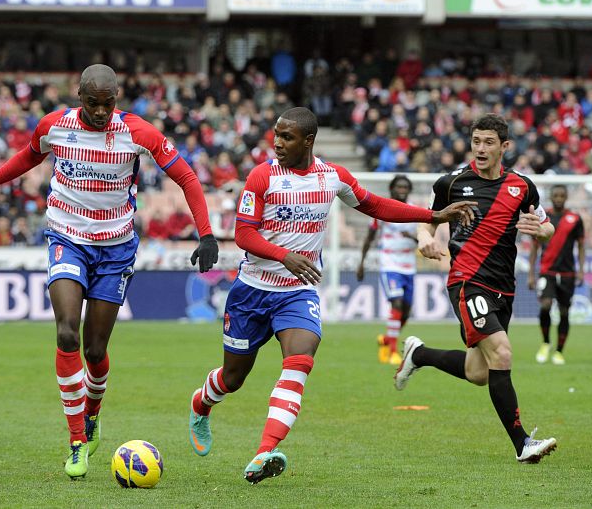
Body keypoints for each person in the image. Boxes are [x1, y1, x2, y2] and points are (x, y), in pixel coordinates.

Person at [0, 64, 219, 479]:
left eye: (108, 103)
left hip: (116, 248)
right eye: (93, 103)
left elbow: (187, 177)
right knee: (67, 333)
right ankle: (76, 442)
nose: (100, 111)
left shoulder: (138, 132)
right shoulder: (55, 126)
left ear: (117, 99)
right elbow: (27, 157)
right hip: (66, 238)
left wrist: (207, 234)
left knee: (94, 351)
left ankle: (92, 412)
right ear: (79, 98)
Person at [187, 107, 476, 484]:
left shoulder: (331, 177)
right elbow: (244, 235)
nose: (277, 143)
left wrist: (432, 216)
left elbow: (375, 204)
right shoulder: (262, 176)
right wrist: (284, 255)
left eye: (287, 137)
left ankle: (263, 452)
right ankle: (201, 404)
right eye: (276, 135)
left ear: (308, 141)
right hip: (252, 291)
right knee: (233, 377)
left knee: (300, 361)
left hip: (297, 292)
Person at [393, 113, 558, 464]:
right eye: (476, 141)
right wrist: (424, 238)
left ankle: (419, 354)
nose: (480, 149)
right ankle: (523, 444)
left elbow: (547, 227)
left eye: (488, 142)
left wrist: (540, 230)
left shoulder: (522, 187)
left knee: (479, 372)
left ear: (504, 146)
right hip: (468, 281)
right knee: (502, 353)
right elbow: (427, 220)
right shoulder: (451, 183)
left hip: (504, 288)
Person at [356, 175, 418, 365]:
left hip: (409, 265)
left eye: (405, 187)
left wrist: (412, 237)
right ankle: (392, 352)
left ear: (409, 190)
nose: (402, 190)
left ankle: (386, 340)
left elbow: (423, 238)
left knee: (405, 312)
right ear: (392, 189)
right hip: (389, 263)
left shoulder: (415, 211)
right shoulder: (381, 209)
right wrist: (362, 262)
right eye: (399, 186)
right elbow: (369, 237)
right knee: (396, 304)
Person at [528, 185, 585, 365]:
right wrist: (531, 274)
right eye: (556, 196)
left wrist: (581, 270)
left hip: (568, 273)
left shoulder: (575, 219)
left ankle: (559, 351)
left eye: (562, 196)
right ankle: (546, 343)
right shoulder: (543, 218)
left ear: (566, 197)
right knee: (545, 305)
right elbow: (534, 248)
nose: (559, 198)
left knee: (564, 311)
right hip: (547, 271)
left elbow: (581, 246)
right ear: (551, 197)